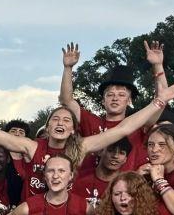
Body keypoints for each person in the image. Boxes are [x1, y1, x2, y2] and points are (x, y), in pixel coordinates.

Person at [0, 77, 174, 197]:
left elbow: (122, 129)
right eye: (55, 119)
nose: (61, 122)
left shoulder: (80, 147)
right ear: (47, 127)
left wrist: (160, 101)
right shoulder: (32, 146)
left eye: (67, 120)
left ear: (73, 130)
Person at [59, 41, 167, 173]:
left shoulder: (139, 124)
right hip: (90, 189)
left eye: (121, 95)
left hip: (125, 191)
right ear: (103, 101)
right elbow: (67, 101)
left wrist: (158, 66)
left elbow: (162, 98)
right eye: (110, 95)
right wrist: (68, 68)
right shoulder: (91, 121)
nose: (115, 98)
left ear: (129, 100)